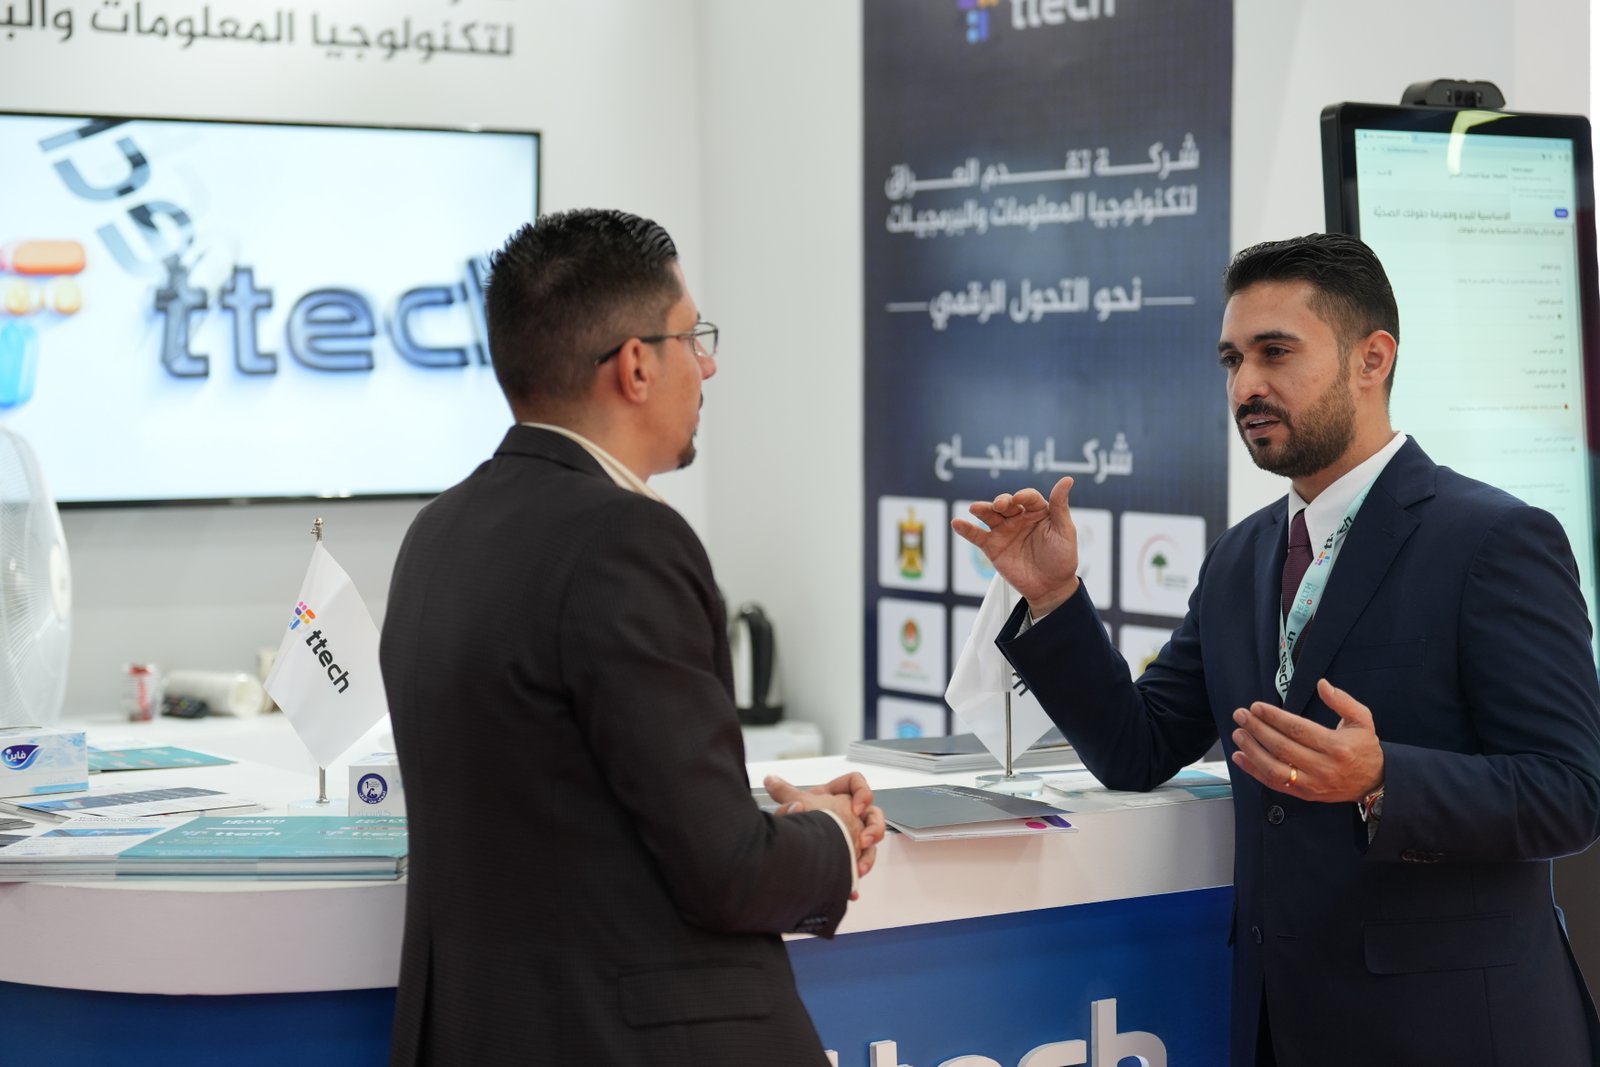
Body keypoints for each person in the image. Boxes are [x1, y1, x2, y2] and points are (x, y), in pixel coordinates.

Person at [954, 233, 1600, 1066]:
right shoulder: (1242, 557)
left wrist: (1384, 779)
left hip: (1455, 1032)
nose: (1245, 385)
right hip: (1282, 1026)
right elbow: (1136, 746)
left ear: (1372, 358)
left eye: (1275, 352)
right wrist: (1053, 598)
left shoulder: (1494, 540)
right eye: (1232, 359)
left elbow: (1571, 790)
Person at [381, 208, 885, 1066]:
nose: (709, 364)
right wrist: (832, 834)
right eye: (693, 337)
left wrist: (758, 818)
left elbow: (576, 805)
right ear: (637, 365)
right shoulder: (624, 540)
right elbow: (726, 872)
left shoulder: (438, 531)